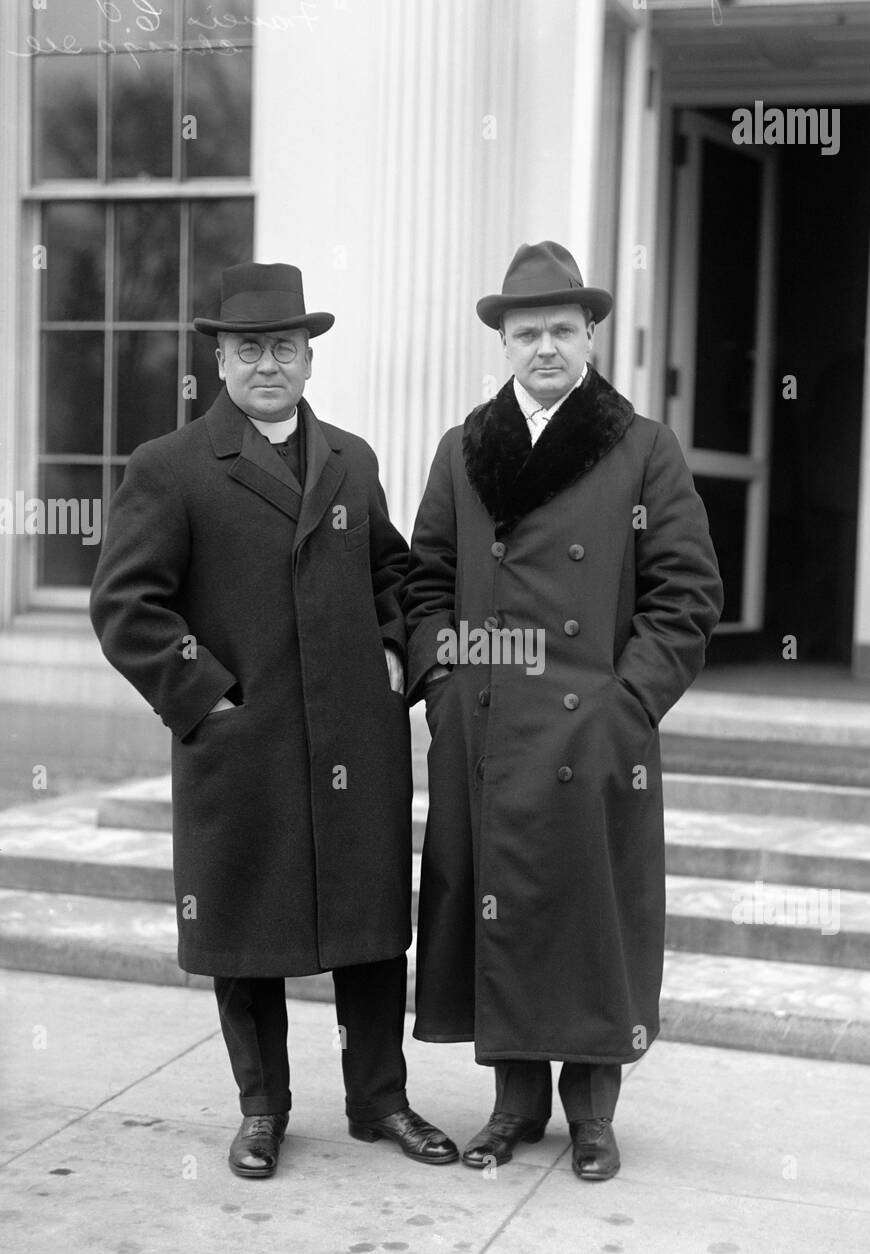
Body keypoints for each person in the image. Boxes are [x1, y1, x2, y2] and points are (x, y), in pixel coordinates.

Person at [91, 261, 457, 1178]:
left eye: (284, 347)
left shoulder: (351, 460)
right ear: (219, 360)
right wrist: (207, 695)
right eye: (248, 348)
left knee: (371, 929)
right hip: (242, 741)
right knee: (247, 931)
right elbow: (127, 604)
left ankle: (381, 1102)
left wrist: (390, 647)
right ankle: (263, 1109)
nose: (267, 364)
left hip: (354, 743)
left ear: (307, 358)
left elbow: (395, 573)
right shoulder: (169, 468)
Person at [402, 241, 722, 1181]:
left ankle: (591, 1116)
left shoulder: (641, 447)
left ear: (590, 336)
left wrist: (627, 705)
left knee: (590, 916)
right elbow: (424, 582)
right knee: (500, 910)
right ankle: (511, 1109)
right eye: (525, 331)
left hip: (594, 730)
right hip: (491, 724)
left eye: (560, 330)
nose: (544, 347)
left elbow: (686, 595)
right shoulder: (464, 448)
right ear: (502, 342)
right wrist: (446, 686)